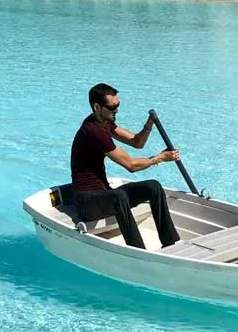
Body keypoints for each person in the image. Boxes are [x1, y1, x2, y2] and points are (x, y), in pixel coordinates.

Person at [70, 83, 183, 249]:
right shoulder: (93, 131)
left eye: (118, 105)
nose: (116, 110)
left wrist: (149, 124)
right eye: (112, 107)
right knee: (119, 197)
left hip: (103, 194)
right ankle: (137, 250)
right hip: (86, 202)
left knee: (153, 186)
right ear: (96, 107)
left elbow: (136, 142)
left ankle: (170, 242)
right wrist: (159, 158)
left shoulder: (106, 123)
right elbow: (131, 165)